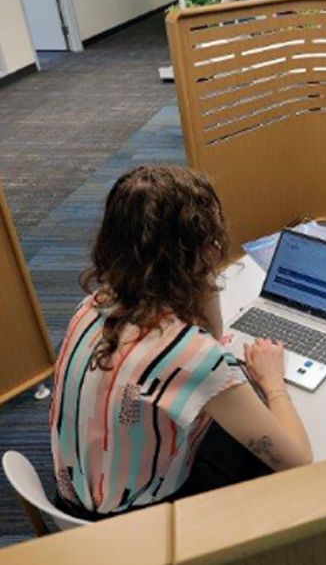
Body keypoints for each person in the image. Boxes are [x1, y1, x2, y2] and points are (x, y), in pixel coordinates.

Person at [50, 166, 312, 519]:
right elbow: (298, 461)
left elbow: (211, 339)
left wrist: (201, 276)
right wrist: (273, 382)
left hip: (73, 499)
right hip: (138, 524)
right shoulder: (192, 356)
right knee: (272, 458)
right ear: (205, 251)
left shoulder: (93, 305)